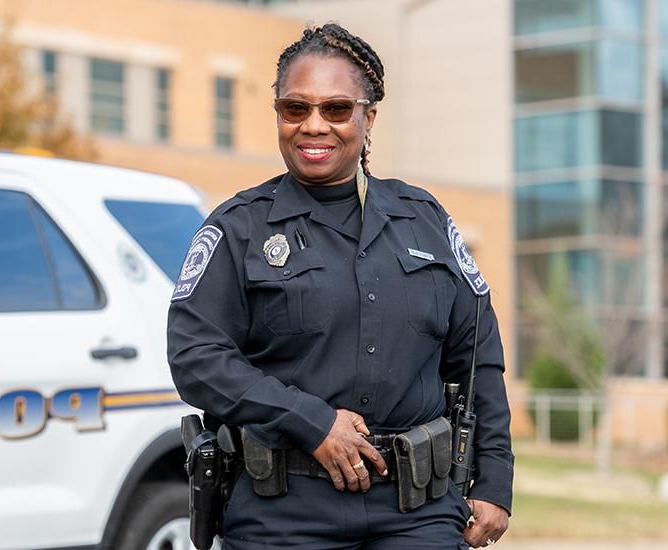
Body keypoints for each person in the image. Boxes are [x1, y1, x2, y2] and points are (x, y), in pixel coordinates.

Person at [167, 23, 512, 549]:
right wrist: (311, 421)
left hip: (417, 512)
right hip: (283, 512)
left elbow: (475, 355)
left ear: (367, 118)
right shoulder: (238, 228)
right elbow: (196, 356)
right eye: (295, 109)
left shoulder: (424, 219)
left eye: (335, 109)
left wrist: (494, 479)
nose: (313, 126)